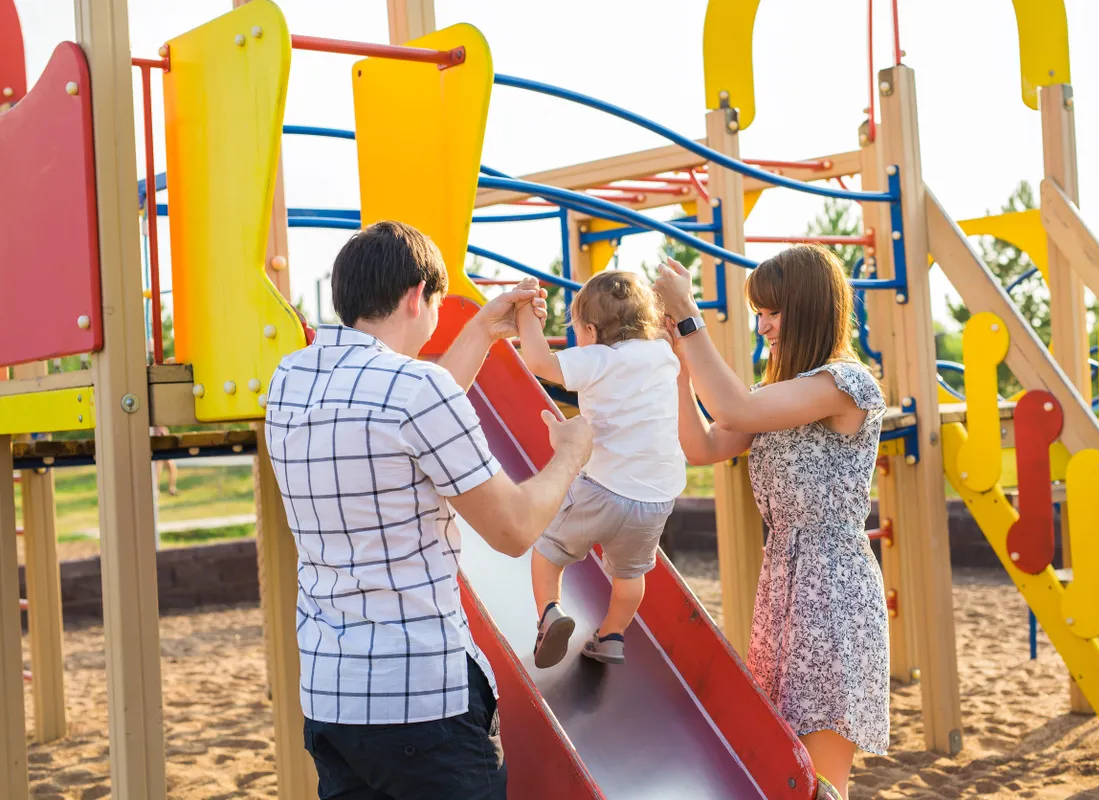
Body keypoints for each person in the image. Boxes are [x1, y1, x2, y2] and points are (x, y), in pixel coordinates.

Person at [264, 221, 593, 800]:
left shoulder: (290, 380)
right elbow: (514, 530)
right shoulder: (415, 390)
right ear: (417, 295)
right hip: (420, 698)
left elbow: (398, 415)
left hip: (331, 696)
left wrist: (480, 333)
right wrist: (568, 458)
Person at [654, 246, 889, 799]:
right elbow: (705, 444)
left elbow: (733, 410)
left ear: (807, 308)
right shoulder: (775, 394)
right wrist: (682, 371)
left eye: (772, 312)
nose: (762, 326)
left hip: (832, 586)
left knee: (820, 783)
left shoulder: (845, 384)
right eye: (758, 312)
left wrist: (689, 319)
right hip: (783, 580)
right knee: (784, 770)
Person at [515, 271, 685, 668]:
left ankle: (549, 613)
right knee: (629, 575)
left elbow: (538, 361)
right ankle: (611, 635)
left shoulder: (597, 358)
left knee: (548, 551)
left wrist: (526, 313)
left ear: (590, 330)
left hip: (604, 485)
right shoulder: (663, 353)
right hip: (656, 498)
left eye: (577, 330)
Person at [151, 425, 178, 496]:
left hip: (164, 449)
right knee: (158, 467)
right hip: (157, 449)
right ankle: (156, 489)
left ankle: (172, 489)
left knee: (172, 467)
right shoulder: (153, 428)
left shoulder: (163, 427)